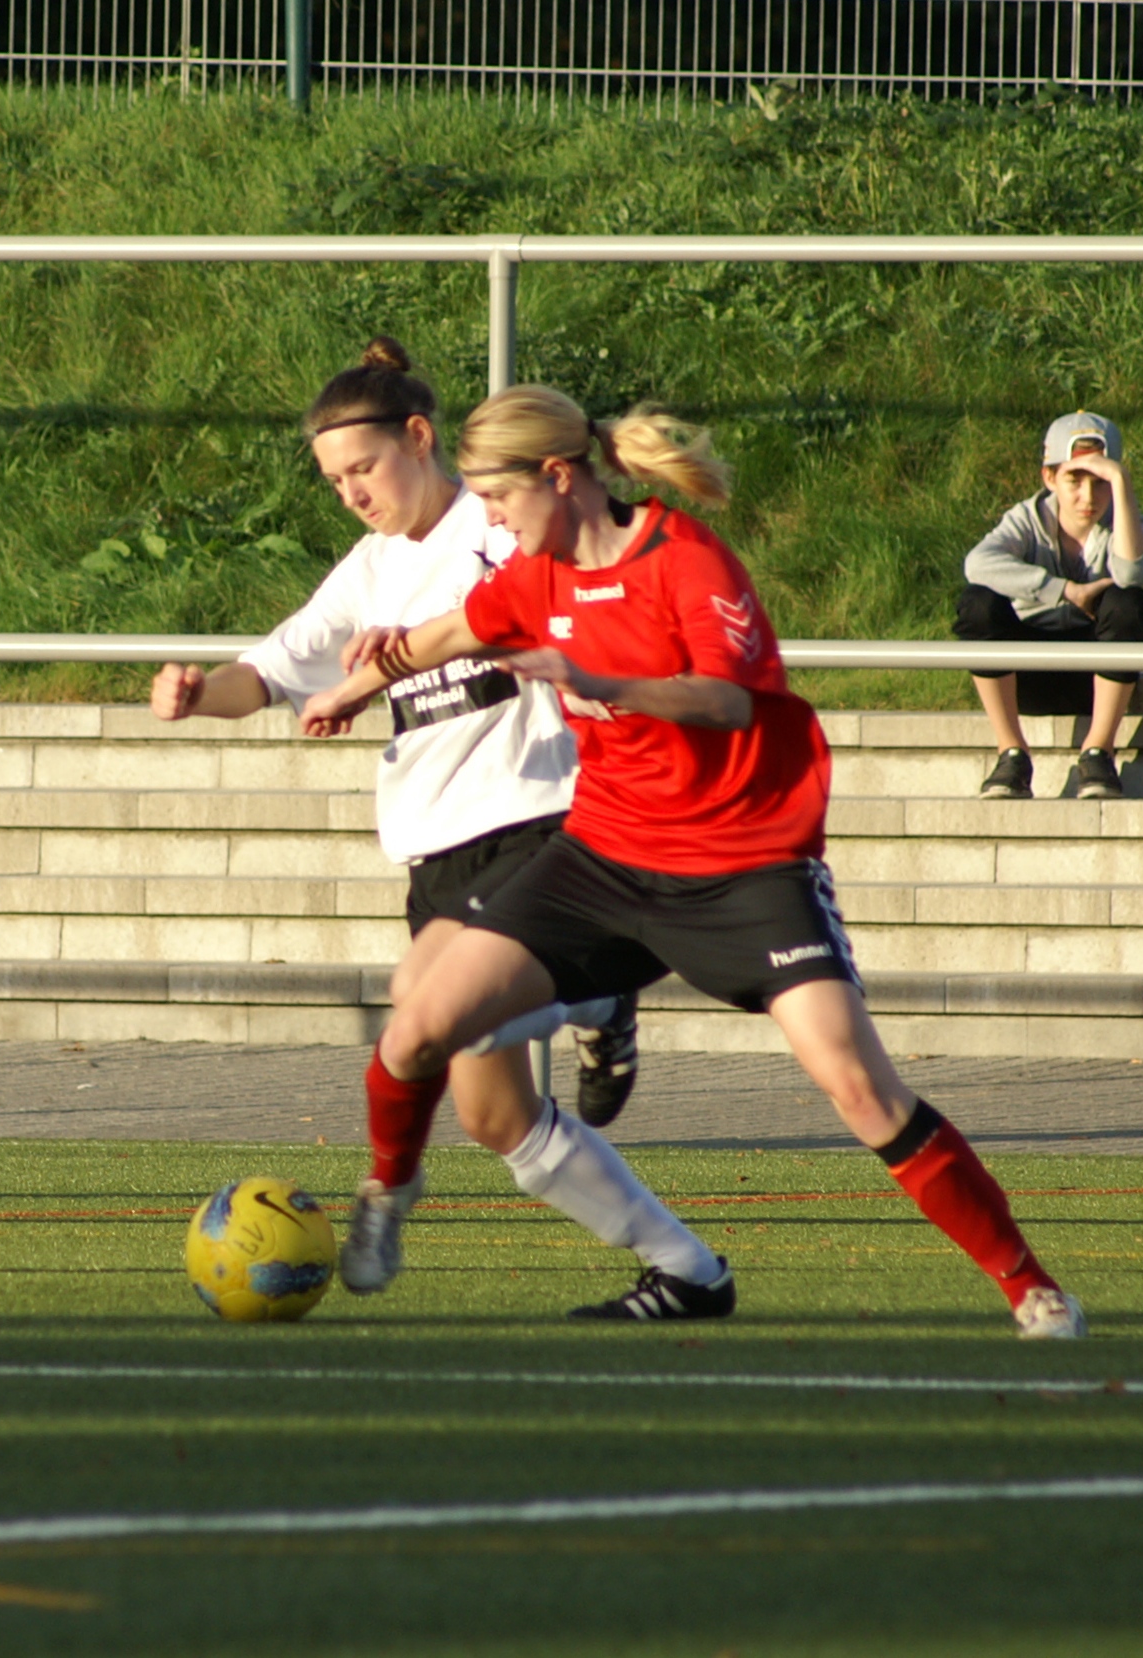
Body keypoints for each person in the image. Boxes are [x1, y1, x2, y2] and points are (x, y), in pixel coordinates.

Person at [298, 384, 1087, 1339]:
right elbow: (452, 632)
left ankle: (1029, 1285)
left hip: (744, 863)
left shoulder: (684, 558)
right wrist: (355, 686)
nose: (493, 521)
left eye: (499, 500)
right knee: (420, 1023)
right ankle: (388, 1186)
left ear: (558, 475)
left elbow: (727, 701)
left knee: (857, 1085)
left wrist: (603, 683)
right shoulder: (537, 572)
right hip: (601, 856)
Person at [150, 339, 726, 1310]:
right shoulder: (369, 570)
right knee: (494, 1114)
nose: (351, 493)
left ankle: (389, 1185)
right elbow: (274, 671)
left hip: (540, 819)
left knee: (420, 1014)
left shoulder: (495, 524)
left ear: (419, 438)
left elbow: (555, 608)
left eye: (363, 468)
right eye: (333, 480)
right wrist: (202, 691)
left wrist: (410, 656)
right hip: (437, 852)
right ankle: (684, 1264)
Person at [954, 410, 1143, 801]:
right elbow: (976, 564)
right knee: (977, 603)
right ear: (1049, 478)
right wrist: (1064, 590)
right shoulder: (1026, 519)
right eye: (1074, 479)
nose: (1088, 496)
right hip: (1027, 673)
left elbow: (1131, 574)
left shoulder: (1126, 521)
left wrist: (1122, 481)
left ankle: (1098, 752)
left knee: (1127, 602)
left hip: (1097, 680)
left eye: (1100, 481)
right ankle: (1011, 753)